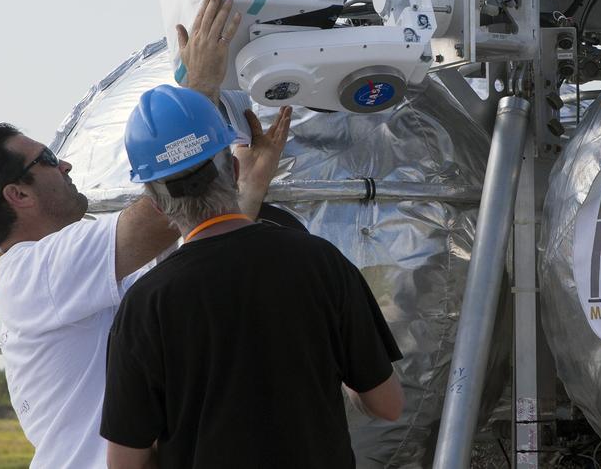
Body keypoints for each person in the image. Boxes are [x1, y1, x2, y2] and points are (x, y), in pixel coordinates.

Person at [0, 0, 289, 468]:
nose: (63, 164)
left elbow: (199, 267)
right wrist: (199, 92)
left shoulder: (76, 277)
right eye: (45, 161)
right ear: (17, 195)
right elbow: (159, 216)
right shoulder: (33, 274)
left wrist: (247, 191)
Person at [100, 85, 404, 469]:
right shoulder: (320, 263)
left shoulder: (145, 306)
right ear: (235, 169)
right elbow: (388, 405)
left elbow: (125, 463)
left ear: (157, 203)